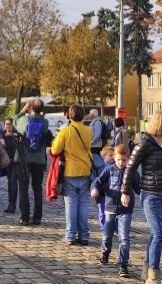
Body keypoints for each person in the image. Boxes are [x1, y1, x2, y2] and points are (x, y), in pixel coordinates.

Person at [122, 110, 162, 284]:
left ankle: (146, 270)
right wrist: (125, 192)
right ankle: (153, 277)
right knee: (160, 235)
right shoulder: (145, 143)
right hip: (150, 195)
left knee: (154, 235)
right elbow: (130, 168)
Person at [91, 145, 140, 278]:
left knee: (124, 238)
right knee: (107, 235)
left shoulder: (133, 172)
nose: (120, 163)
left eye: (124, 160)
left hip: (126, 209)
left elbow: (138, 188)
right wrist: (94, 189)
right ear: (114, 158)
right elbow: (97, 181)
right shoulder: (109, 170)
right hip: (110, 208)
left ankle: (123, 264)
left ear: (128, 159)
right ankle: (105, 252)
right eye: (118, 159)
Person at [50, 104, 92, 245]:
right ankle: (84, 235)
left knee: (71, 204)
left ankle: (70, 235)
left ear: (69, 115)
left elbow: (55, 150)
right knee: (83, 204)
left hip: (69, 171)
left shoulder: (65, 131)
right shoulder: (88, 130)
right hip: (85, 170)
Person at [13, 98, 51, 226]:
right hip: (39, 159)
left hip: (23, 158)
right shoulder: (44, 121)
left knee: (23, 188)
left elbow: (14, 120)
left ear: (30, 107)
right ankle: (37, 217)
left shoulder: (24, 120)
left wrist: (23, 111)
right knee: (37, 187)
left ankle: (24, 217)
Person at [94, 146, 115, 232]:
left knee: (114, 211)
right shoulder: (100, 167)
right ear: (104, 156)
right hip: (101, 192)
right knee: (102, 211)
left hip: (112, 192)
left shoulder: (116, 166)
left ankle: (115, 228)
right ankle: (103, 227)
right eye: (110, 155)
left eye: (114, 155)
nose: (113, 157)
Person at [2, 117, 18, 213]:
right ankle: (10, 204)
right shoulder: (2, 136)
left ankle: (13, 204)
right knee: (9, 183)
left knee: (13, 183)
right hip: (6, 163)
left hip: (15, 162)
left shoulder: (15, 136)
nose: (8, 125)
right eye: (6, 124)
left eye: (9, 124)